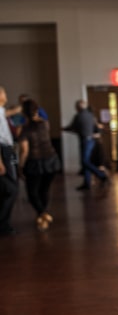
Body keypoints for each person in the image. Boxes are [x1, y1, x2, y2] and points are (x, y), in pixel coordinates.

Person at [18, 98, 62, 232]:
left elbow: (24, 151)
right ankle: (43, 216)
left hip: (34, 163)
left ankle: (42, 214)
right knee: (44, 189)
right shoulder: (45, 124)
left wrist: (19, 166)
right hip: (51, 160)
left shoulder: (24, 130)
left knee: (32, 193)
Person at [63, 99, 108, 191]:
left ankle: (101, 175)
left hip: (85, 140)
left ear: (77, 107)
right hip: (91, 140)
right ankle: (87, 182)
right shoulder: (91, 116)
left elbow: (72, 127)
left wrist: (63, 129)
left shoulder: (78, 116)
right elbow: (97, 128)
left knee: (85, 161)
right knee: (86, 161)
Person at [0, 86, 18, 236]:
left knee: (8, 189)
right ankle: (2, 225)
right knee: (11, 189)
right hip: (2, 153)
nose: (6, 95)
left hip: (6, 151)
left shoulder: (1, 110)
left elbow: (8, 112)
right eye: (4, 92)